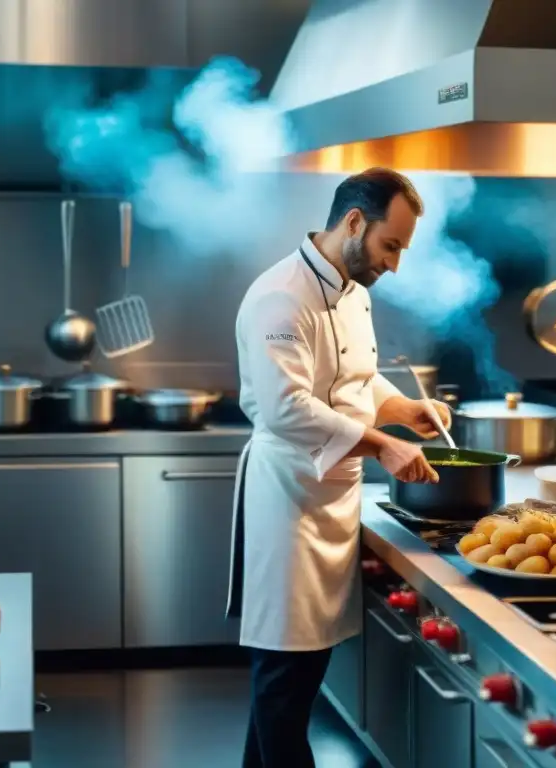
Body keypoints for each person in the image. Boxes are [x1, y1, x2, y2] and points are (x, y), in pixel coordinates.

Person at [227, 167, 452, 768]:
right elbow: (287, 410)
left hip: (333, 501)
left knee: (291, 688)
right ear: (354, 222)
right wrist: (383, 446)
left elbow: (352, 379)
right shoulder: (281, 295)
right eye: (390, 245)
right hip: (289, 504)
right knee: (284, 685)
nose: (395, 264)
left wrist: (401, 410)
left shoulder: (354, 292)